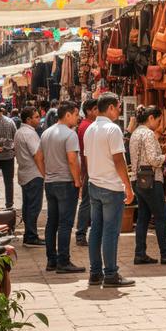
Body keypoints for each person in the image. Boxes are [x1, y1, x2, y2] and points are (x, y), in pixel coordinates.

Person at [84, 92, 135, 288]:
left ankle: (95, 273)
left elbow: (87, 158)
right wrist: (128, 187)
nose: (119, 111)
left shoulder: (90, 129)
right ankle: (111, 273)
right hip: (110, 186)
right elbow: (119, 160)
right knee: (110, 232)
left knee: (96, 229)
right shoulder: (113, 129)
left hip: (95, 184)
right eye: (118, 107)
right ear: (111, 107)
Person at [129, 106, 166, 265]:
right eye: (159, 120)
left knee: (143, 217)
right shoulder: (148, 134)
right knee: (161, 217)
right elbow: (153, 159)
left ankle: (140, 254)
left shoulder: (135, 133)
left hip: (137, 180)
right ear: (151, 118)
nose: (160, 124)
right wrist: (165, 158)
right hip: (151, 180)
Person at [40, 101, 84, 273]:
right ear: (67, 115)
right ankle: (63, 261)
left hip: (51, 183)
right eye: (75, 114)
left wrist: (46, 174)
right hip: (66, 183)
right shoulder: (70, 134)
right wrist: (78, 181)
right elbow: (72, 160)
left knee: (52, 222)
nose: (77, 117)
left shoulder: (46, 133)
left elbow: (38, 157)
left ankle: (51, 260)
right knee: (65, 224)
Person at [14, 106, 46, 248]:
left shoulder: (20, 132)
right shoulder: (29, 134)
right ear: (28, 119)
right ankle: (31, 236)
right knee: (33, 206)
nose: (39, 120)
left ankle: (29, 235)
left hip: (25, 173)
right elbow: (37, 156)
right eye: (36, 117)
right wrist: (44, 173)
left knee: (28, 206)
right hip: (33, 174)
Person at [75, 99, 98, 247]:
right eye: (95, 109)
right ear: (89, 111)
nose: (97, 112)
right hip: (90, 168)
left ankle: (83, 232)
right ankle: (81, 234)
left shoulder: (87, 125)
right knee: (87, 202)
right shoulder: (87, 126)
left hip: (90, 168)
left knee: (89, 202)